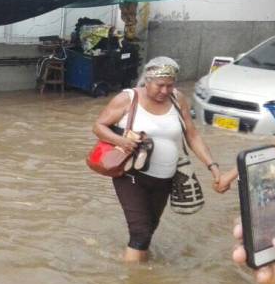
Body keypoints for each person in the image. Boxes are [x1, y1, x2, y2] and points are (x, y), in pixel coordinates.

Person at [92, 57, 221, 262]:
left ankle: (129, 260)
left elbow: (192, 135)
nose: (165, 91)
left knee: (149, 228)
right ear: (147, 81)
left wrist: (212, 166)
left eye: (170, 85)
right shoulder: (128, 99)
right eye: (160, 85)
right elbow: (99, 126)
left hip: (165, 179)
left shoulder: (178, 100)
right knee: (141, 233)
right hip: (131, 175)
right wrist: (121, 141)